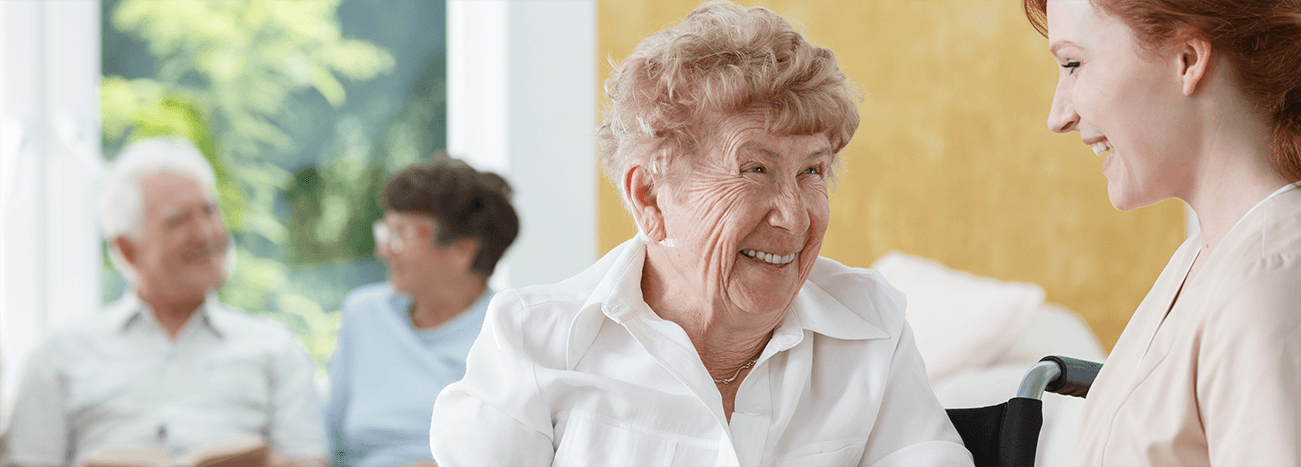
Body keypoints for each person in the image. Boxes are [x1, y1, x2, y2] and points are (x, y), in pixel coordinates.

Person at [428, 2, 974, 466]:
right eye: (754, 170)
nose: (794, 217)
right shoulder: (533, 342)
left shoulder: (870, 325)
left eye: (812, 171)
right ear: (650, 198)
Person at [1023, 0, 1301, 464]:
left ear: (1188, 60)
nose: (1058, 115)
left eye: (1074, 64)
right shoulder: (1214, 255)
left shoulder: (1279, 282)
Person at [3, 138, 328, 466]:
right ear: (128, 250)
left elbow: (308, 460)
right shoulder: (59, 355)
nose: (205, 234)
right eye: (178, 221)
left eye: (210, 211)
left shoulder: (276, 349)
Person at [324, 155, 519, 467]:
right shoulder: (364, 315)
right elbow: (328, 437)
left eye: (400, 234)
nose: (383, 250)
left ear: (461, 250)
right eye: (385, 232)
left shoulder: (511, 330)